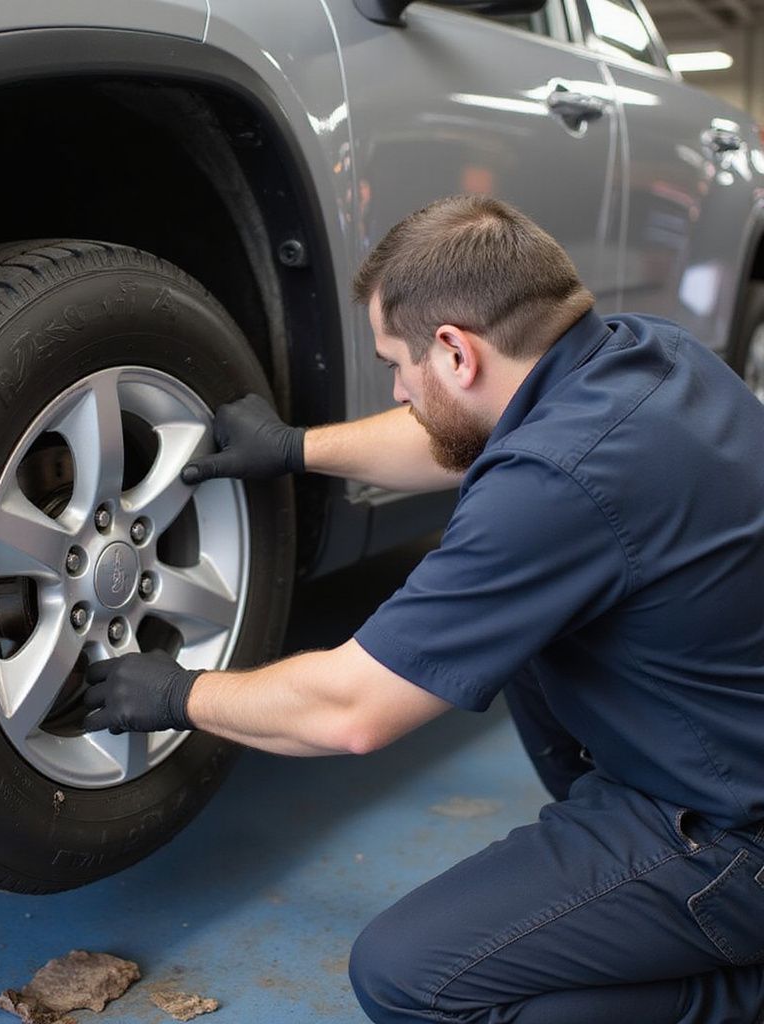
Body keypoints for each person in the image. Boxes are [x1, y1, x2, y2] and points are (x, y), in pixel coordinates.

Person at [81, 195, 764, 1024]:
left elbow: (350, 711)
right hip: (725, 743)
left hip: (735, 836)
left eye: (396, 366)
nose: (398, 391)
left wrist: (176, 693)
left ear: (454, 349)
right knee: (535, 648)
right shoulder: (648, 357)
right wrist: (295, 448)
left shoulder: (553, 487)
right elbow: (465, 436)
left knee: (412, 978)